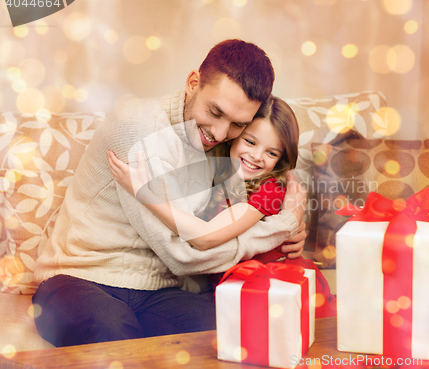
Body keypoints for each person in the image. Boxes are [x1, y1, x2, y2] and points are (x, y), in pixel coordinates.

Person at [32, 39, 307, 347]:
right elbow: (185, 254)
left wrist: (288, 225)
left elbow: (269, 175)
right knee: (113, 338)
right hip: (81, 277)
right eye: (215, 112)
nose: (219, 133)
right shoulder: (139, 130)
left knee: (233, 333)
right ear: (193, 83)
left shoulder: (225, 146)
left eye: (237, 125)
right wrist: (283, 226)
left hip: (158, 290)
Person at [108, 96, 336, 317]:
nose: (256, 156)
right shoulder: (219, 178)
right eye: (250, 141)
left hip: (278, 290)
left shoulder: (269, 190)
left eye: (271, 152)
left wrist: (143, 192)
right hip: (238, 291)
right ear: (234, 136)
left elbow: (205, 237)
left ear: (280, 159)